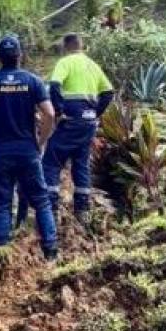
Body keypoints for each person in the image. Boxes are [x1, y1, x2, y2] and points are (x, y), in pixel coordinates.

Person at [0, 36, 59, 259]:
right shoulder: (33, 81)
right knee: (41, 200)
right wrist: (41, 141)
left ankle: (1, 254)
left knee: (2, 203)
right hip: (27, 150)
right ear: (20, 55)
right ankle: (50, 251)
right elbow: (49, 113)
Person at [43, 33, 114, 223]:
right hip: (88, 123)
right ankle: (83, 211)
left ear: (66, 47)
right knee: (81, 163)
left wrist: (58, 110)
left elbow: (54, 85)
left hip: (70, 119)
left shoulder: (65, 63)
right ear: (81, 46)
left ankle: (51, 210)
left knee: (51, 160)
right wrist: (95, 112)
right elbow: (108, 92)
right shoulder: (92, 65)